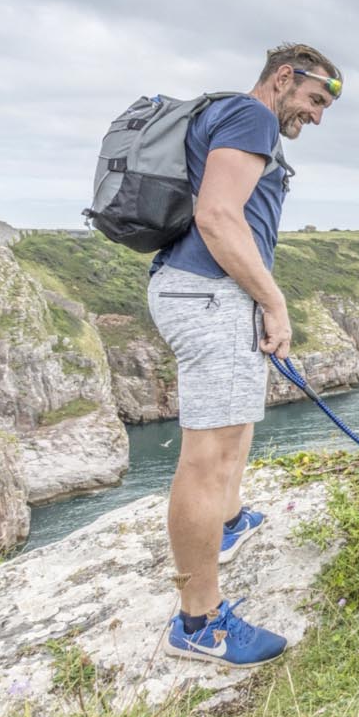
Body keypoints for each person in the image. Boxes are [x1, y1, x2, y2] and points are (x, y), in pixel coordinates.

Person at [147, 42, 341, 667]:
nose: (316, 115)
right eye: (314, 98)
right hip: (211, 296)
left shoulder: (225, 117)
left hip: (201, 292)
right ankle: (199, 624)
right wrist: (274, 302)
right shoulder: (252, 116)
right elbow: (217, 216)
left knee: (234, 430)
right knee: (212, 454)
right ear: (284, 78)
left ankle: (230, 522)